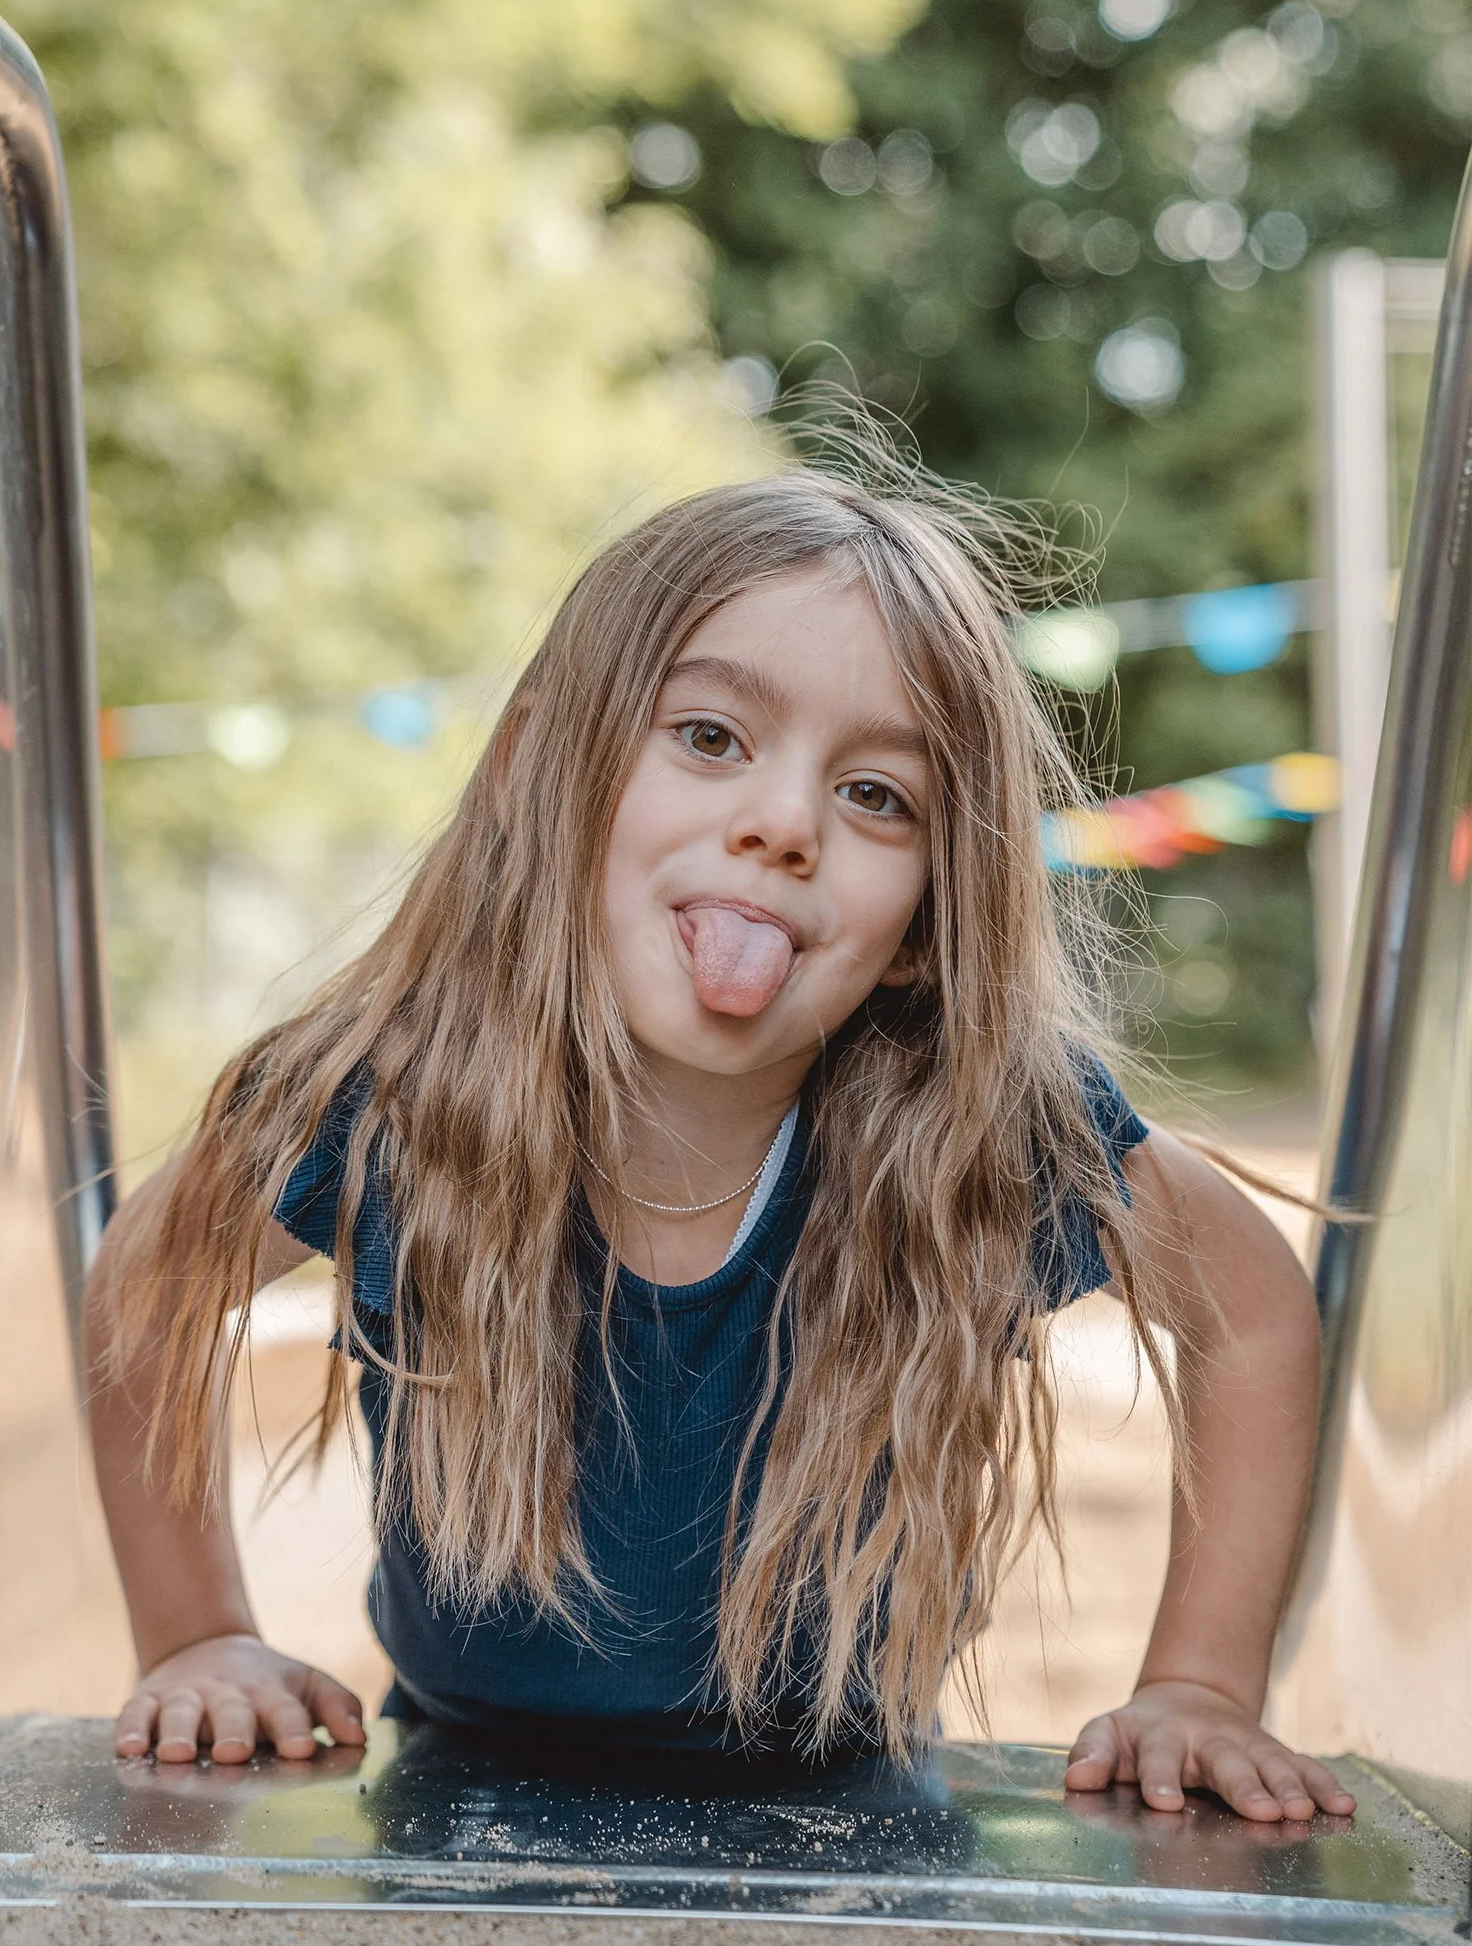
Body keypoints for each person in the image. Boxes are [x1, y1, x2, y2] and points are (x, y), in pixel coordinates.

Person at [85, 463, 1356, 1824]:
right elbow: (147, 1292)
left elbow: (1252, 1316)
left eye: (878, 796)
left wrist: (1204, 1683)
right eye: (708, 736)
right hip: (449, 1786)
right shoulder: (384, 1098)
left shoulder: (979, 1133)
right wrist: (195, 1632)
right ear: (532, 768)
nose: (783, 822)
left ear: (930, 918)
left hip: (855, 1807)